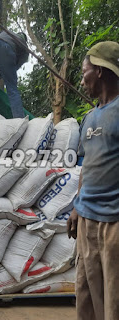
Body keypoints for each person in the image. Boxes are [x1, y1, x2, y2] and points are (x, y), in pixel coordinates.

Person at [67, 41, 119, 320]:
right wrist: (76, 206)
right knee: (86, 295)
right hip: (86, 220)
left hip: (113, 224)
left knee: (113, 299)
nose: (82, 78)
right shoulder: (89, 118)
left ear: (99, 71)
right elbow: (86, 165)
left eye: (85, 70)